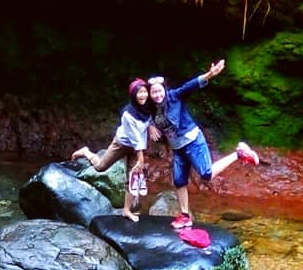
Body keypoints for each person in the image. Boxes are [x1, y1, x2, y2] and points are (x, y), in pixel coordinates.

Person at [147, 59, 260, 229]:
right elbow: (136, 111)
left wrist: (210, 74)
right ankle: (185, 216)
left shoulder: (174, 96)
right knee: (179, 181)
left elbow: (190, 86)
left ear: (164, 89)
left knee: (206, 174)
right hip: (178, 148)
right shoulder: (151, 108)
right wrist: (150, 126)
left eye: (159, 91)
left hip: (192, 141)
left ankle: (239, 153)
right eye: (153, 93)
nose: (157, 95)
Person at [71, 78, 153, 221]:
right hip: (121, 144)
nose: (143, 95)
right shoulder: (128, 114)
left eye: (145, 91)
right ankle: (86, 152)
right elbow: (135, 137)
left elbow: (148, 121)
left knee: (132, 178)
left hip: (136, 148)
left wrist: (151, 126)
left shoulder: (147, 108)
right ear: (133, 95)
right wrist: (141, 158)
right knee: (101, 167)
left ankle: (126, 211)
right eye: (139, 92)